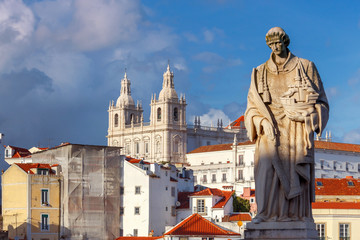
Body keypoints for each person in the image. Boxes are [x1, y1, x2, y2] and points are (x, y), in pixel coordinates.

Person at [244, 27, 329, 223]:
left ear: (286, 42)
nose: (275, 48)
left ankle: (296, 216)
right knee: (265, 172)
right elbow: (250, 108)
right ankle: (265, 215)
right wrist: (260, 121)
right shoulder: (258, 72)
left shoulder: (306, 67)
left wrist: (309, 117)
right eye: (271, 44)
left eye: (278, 43)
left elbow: (322, 103)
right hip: (268, 132)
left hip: (296, 131)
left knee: (294, 175)